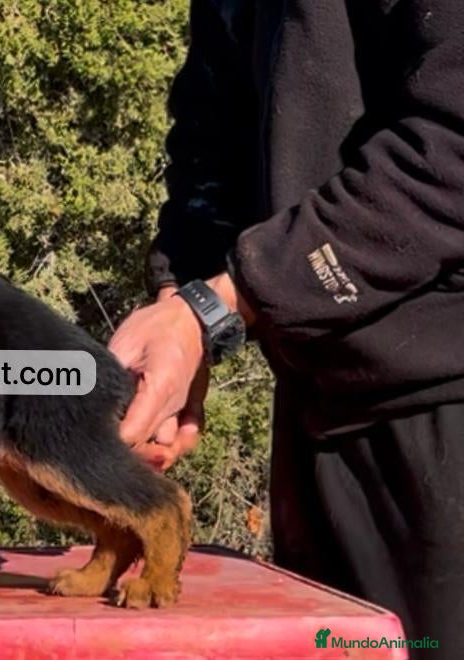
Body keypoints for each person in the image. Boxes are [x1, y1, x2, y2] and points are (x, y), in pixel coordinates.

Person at [108, 0, 464, 655]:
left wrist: (221, 303)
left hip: (445, 412)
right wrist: (183, 308)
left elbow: (451, 151)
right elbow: (212, 119)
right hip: (316, 410)